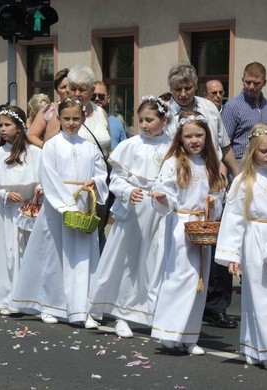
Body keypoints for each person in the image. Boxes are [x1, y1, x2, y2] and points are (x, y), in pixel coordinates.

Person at [10, 98, 108, 328]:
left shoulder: (90, 147)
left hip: (83, 205)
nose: (71, 123)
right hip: (58, 207)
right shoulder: (52, 145)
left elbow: (102, 173)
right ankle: (50, 304)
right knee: (53, 256)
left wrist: (95, 181)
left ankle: (83, 307)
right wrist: (66, 205)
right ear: (59, 119)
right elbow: (49, 177)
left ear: (83, 118)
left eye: (76, 119)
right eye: (66, 119)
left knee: (83, 257)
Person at [215, 124, 267, 372]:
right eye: (264, 151)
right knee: (262, 297)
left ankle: (262, 346)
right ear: (253, 151)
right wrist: (232, 255)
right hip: (255, 240)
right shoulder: (244, 180)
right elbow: (233, 218)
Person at [89, 96, 171, 338]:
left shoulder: (172, 146)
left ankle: (154, 313)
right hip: (134, 212)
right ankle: (122, 314)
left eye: (150, 120)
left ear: (163, 120)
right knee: (129, 262)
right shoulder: (130, 145)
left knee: (156, 264)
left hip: (160, 212)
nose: (145, 125)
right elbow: (115, 179)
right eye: (141, 120)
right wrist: (127, 191)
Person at [151, 111, 225, 356]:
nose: (195, 140)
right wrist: (163, 198)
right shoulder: (174, 162)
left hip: (202, 226)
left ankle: (190, 335)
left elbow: (219, 196)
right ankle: (169, 331)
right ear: (180, 138)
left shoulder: (210, 164)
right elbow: (165, 190)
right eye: (189, 136)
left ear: (207, 136)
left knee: (198, 283)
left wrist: (212, 202)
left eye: (199, 135)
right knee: (181, 277)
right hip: (181, 225)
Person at [0, 106, 41, 316]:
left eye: (7, 125)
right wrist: (5, 194)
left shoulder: (34, 153)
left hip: (28, 210)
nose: (3, 129)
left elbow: (42, 179)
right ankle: (7, 298)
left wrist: (38, 192)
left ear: (20, 127)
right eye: (1, 125)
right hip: (8, 211)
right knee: (8, 254)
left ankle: (28, 299)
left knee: (26, 252)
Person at [202, 77, 238, 329]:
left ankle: (216, 306)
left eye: (220, 93)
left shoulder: (212, 113)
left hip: (215, 184)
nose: (216, 97)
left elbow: (224, 147)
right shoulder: (170, 110)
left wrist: (237, 174)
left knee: (218, 246)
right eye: (212, 92)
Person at [164, 63, 239, 181]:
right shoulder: (164, 114)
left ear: (196, 86)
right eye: (178, 89)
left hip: (212, 175)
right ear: (170, 88)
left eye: (188, 88)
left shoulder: (209, 108)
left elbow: (224, 146)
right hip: (179, 178)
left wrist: (238, 176)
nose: (183, 94)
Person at [69, 65, 112, 252]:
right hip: (76, 179)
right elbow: (48, 146)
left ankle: (97, 273)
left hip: (101, 179)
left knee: (98, 226)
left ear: (92, 90)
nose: (77, 94)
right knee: (77, 228)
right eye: (73, 89)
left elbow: (108, 146)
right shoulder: (60, 113)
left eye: (82, 89)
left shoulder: (100, 112)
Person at [222, 62, 267, 163]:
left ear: (264, 83)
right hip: (242, 165)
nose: (251, 87)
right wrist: (236, 172)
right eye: (248, 82)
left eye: (256, 83)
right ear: (242, 80)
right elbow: (224, 145)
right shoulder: (232, 107)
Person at [27, 68, 69, 148]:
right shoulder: (49, 109)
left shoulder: (83, 107)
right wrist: (46, 147)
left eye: (70, 86)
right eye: (63, 87)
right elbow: (31, 135)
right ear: (57, 90)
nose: (67, 90)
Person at [92, 81, 127, 150]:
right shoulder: (84, 121)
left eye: (101, 96)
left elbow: (125, 150)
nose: (97, 99)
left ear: (108, 98)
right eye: (93, 96)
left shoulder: (117, 123)